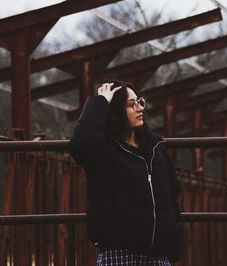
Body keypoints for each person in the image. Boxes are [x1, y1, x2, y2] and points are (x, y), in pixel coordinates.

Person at [69, 81, 182, 265]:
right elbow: (82, 143)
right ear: (115, 112)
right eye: (131, 104)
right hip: (120, 255)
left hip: (159, 256)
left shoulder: (156, 148)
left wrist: (173, 243)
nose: (139, 108)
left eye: (140, 101)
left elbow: (172, 196)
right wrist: (99, 102)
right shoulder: (105, 151)